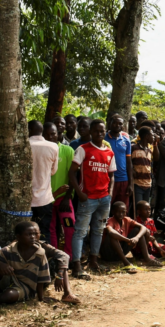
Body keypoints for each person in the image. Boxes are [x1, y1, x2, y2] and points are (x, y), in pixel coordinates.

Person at [0, 221, 80, 305]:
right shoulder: (11, 248)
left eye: (36, 234)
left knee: (61, 262)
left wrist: (59, 275)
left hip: (36, 279)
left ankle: (67, 293)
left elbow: (64, 256)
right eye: (29, 234)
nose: (33, 237)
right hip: (13, 279)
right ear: (18, 237)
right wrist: (0, 264)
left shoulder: (42, 248)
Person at [69, 119, 115, 279]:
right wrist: (79, 193)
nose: (99, 134)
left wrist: (110, 192)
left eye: (102, 131)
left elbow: (111, 175)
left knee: (98, 230)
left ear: (105, 132)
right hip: (87, 199)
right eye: (96, 131)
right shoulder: (83, 149)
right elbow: (71, 173)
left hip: (104, 199)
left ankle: (94, 261)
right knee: (80, 232)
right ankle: (77, 266)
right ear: (91, 132)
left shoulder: (109, 152)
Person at [42, 122, 76, 266]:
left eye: (53, 134)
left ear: (58, 134)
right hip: (46, 199)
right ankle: (54, 258)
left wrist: (67, 197)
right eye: (47, 134)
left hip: (63, 199)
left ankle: (70, 257)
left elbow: (73, 175)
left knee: (69, 227)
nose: (50, 137)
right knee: (50, 229)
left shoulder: (67, 150)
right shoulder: (40, 150)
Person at [100, 202, 161, 272]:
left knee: (137, 230)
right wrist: (127, 240)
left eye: (123, 212)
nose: (121, 214)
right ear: (113, 212)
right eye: (118, 212)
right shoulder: (110, 221)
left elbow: (144, 228)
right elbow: (111, 232)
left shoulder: (127, 219)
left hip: (121, 252)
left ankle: (147, 258)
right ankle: (126, 263)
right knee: (112, 236)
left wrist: (136, 238)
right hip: (108, 254)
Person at [28, 120, 59, 242]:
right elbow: (53, 171)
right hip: (44, 199)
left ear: (28, 130)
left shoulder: (23, 145)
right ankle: (45, 254)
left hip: (26, 199)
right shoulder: (53, 146)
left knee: (26, 232)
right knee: (44, 232)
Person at [105, 114, 133, 210]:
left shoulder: (126, 141)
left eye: (120, 124)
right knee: (107, 208)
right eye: (115, 123)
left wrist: (130, 183)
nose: (117, 125)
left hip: (123, 180)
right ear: (110, 123)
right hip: (108, 180)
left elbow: (129, 163)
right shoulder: (104, 139)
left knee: (122, 208)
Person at [131, 127, 155, 204]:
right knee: (139, 206)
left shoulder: (149, 150)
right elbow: (128, 162)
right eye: (152, 135)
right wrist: (132, 170)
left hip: (148, 184)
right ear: (147, 136)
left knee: (145, 206)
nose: (154, 137)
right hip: (137, 184)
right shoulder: (134, 148)